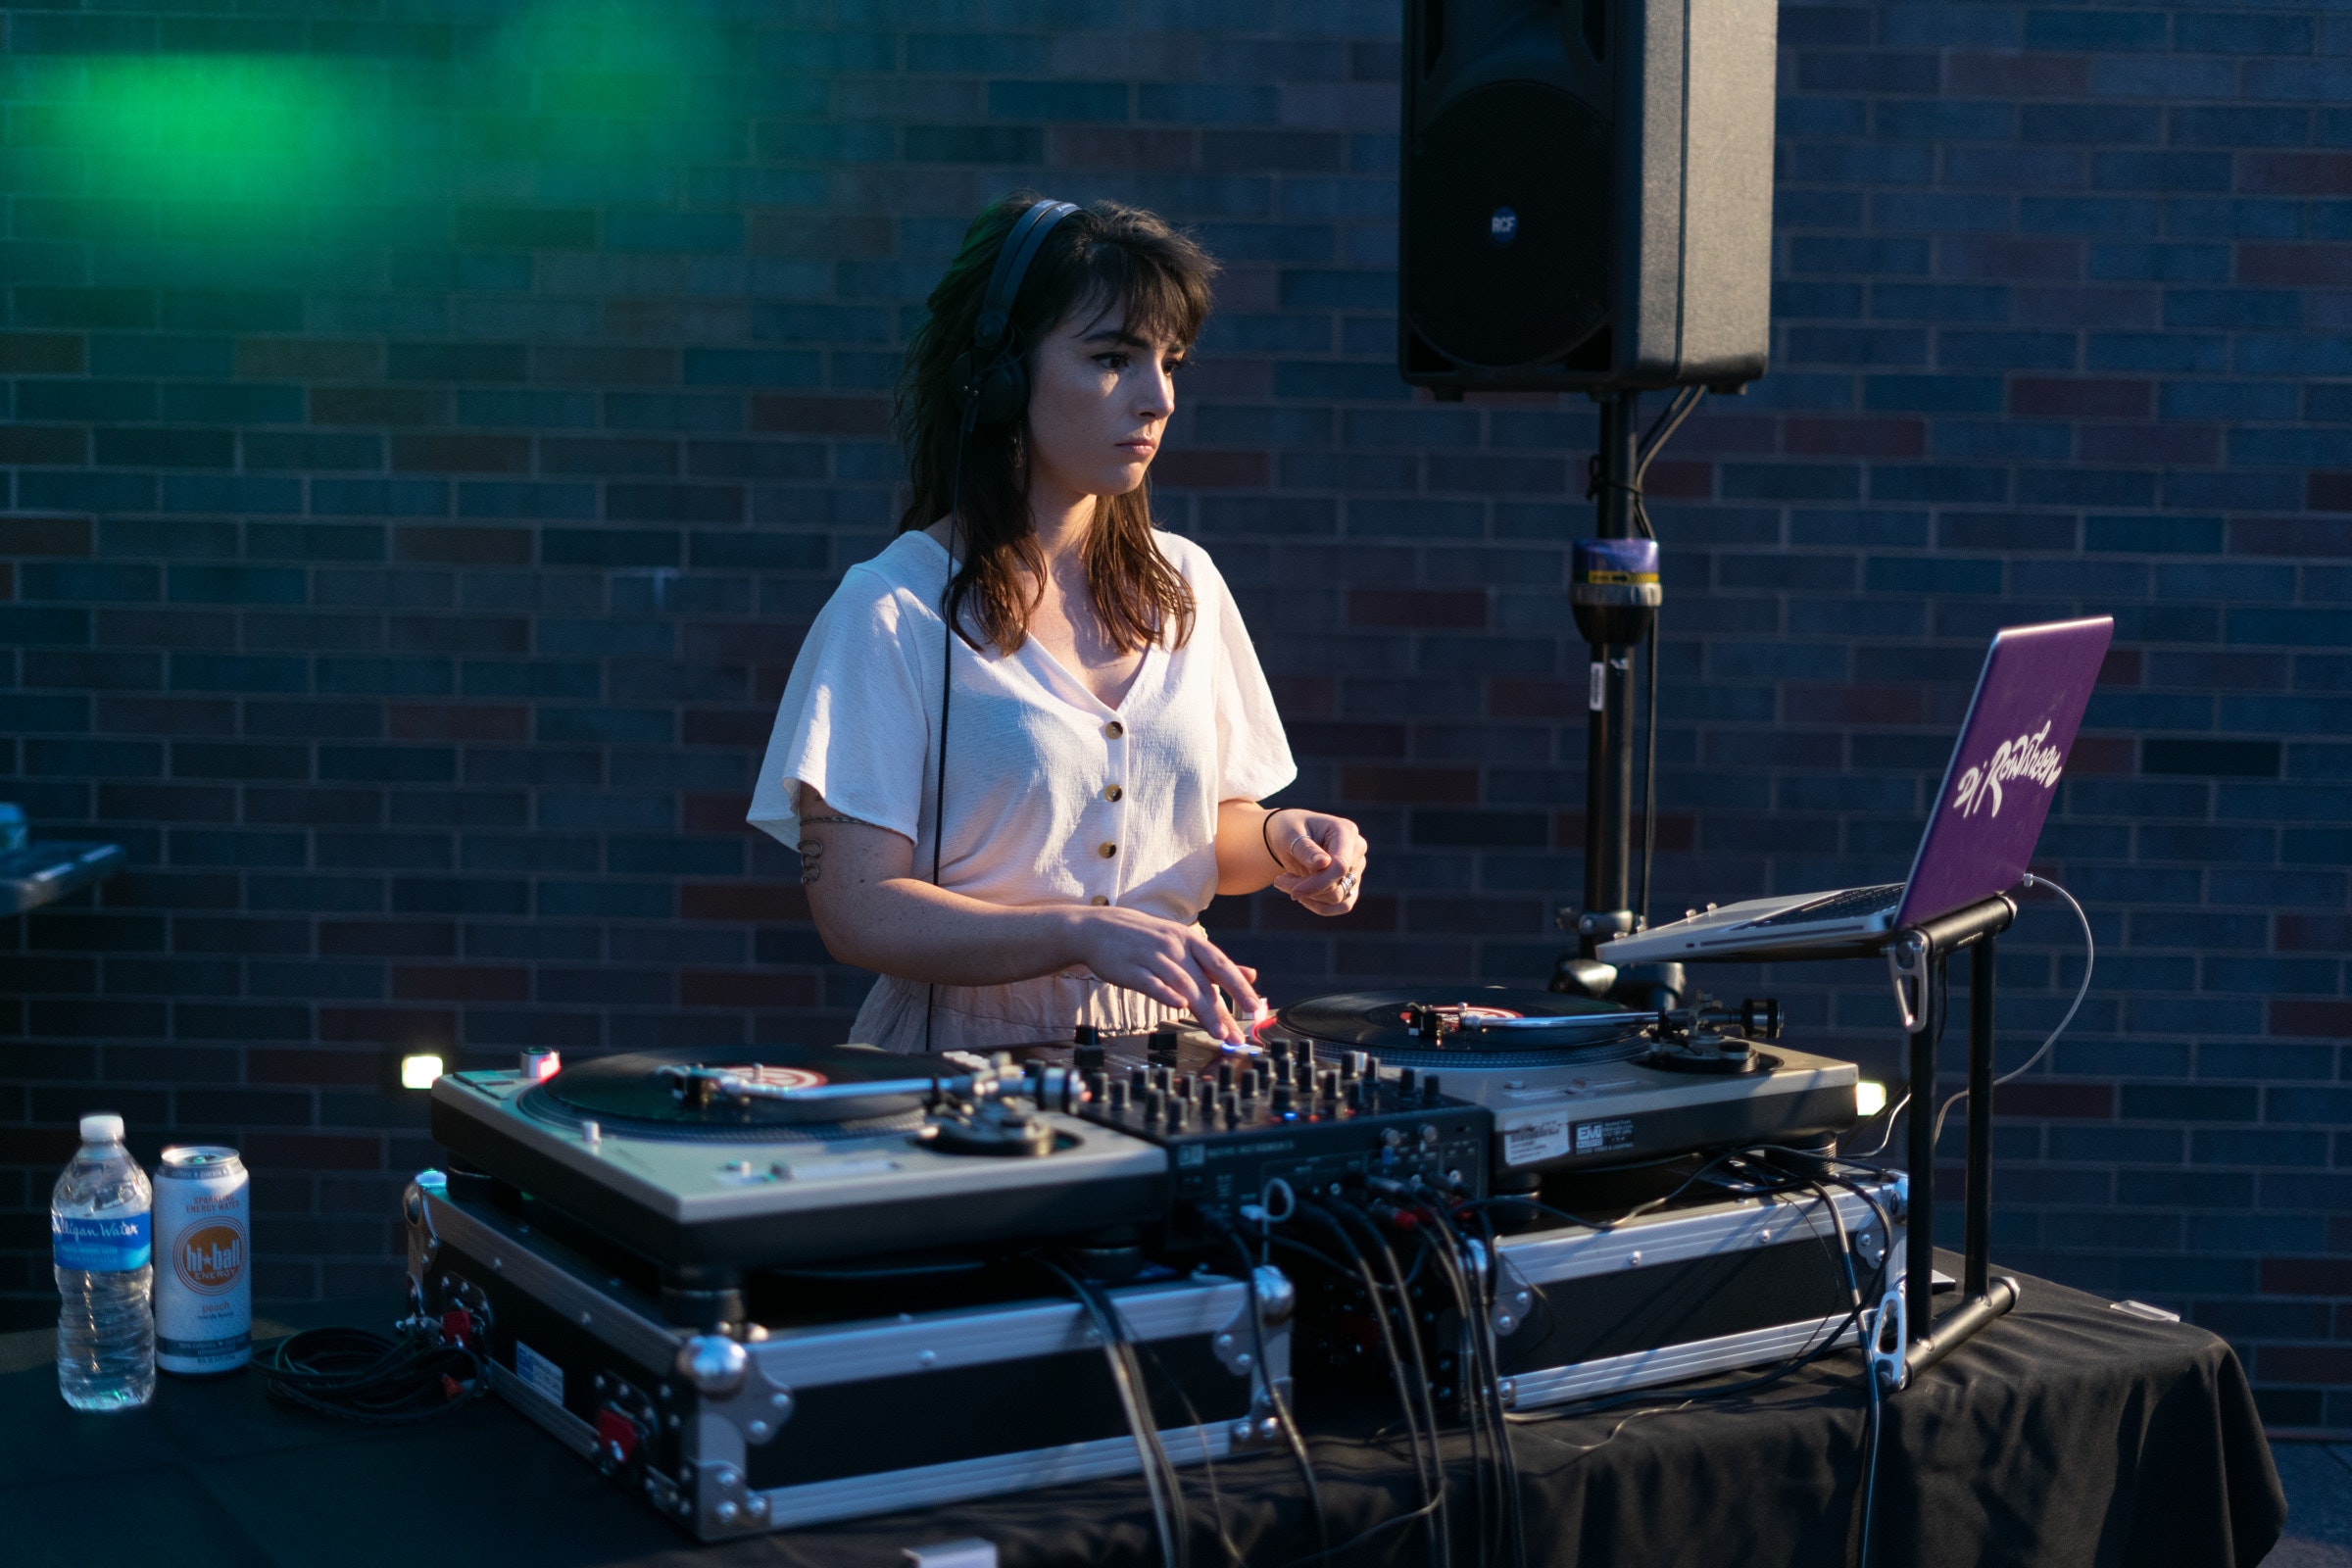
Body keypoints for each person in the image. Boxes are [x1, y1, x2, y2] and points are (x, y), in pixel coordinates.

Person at [749, 193, 1368, 1053]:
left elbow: (1204, 837)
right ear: (996, 376)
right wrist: (1077, 932)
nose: (1158, 399)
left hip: (1173, 1051)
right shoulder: (889, 609)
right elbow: (856, 911)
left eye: (1172, 361)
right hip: (956, 1061)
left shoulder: (1187, 583)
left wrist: (1282, 839)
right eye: (1114, 357)